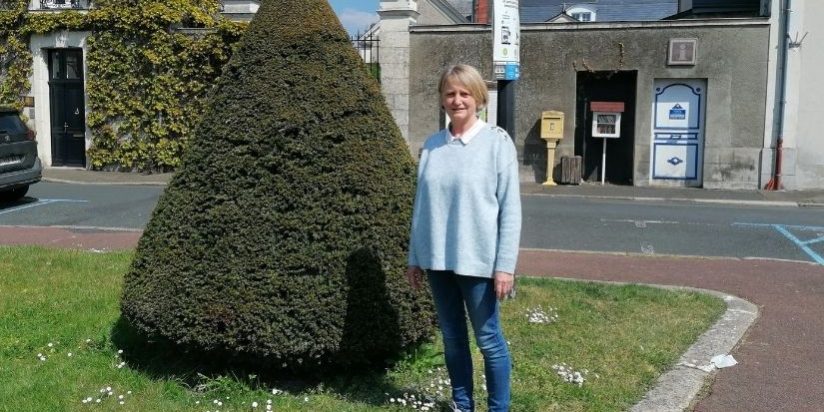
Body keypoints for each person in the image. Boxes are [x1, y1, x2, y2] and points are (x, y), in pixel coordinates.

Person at [406, 64, 522, 412]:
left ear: (478, 99)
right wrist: (414, 256)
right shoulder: (432, 146)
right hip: (437, 260)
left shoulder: (496, 143)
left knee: (488, 340)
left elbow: (510, 210)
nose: (457, 100)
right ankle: (462, 405)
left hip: (479, 262)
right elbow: (421, 207)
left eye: (464, 93)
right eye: (450, 93)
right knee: (453, 339)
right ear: (443, 100)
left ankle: (498, 409)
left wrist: (504, 267)